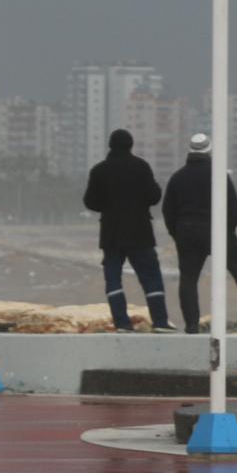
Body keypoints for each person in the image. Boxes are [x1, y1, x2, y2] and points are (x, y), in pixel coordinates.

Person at [164, 132, 237, 335]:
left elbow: (168, 210)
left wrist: (177, 233)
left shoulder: (177, 177)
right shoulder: (218, 175)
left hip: (186, 231)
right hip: (216, 230)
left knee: (188, 278)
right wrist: (228, 230)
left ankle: (191, 325)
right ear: (209, 151)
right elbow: (232, 205)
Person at [83, 128, 171, 331]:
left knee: (113, 279)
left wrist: (108, 205)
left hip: (111, 234)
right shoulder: (141, 167)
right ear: (131, 145)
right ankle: (160, 322)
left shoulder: (99, 171)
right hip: (140, 232)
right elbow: (154, 197)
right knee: (151, 277)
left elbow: (90, 202)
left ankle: (122, 323)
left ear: (110, 146)